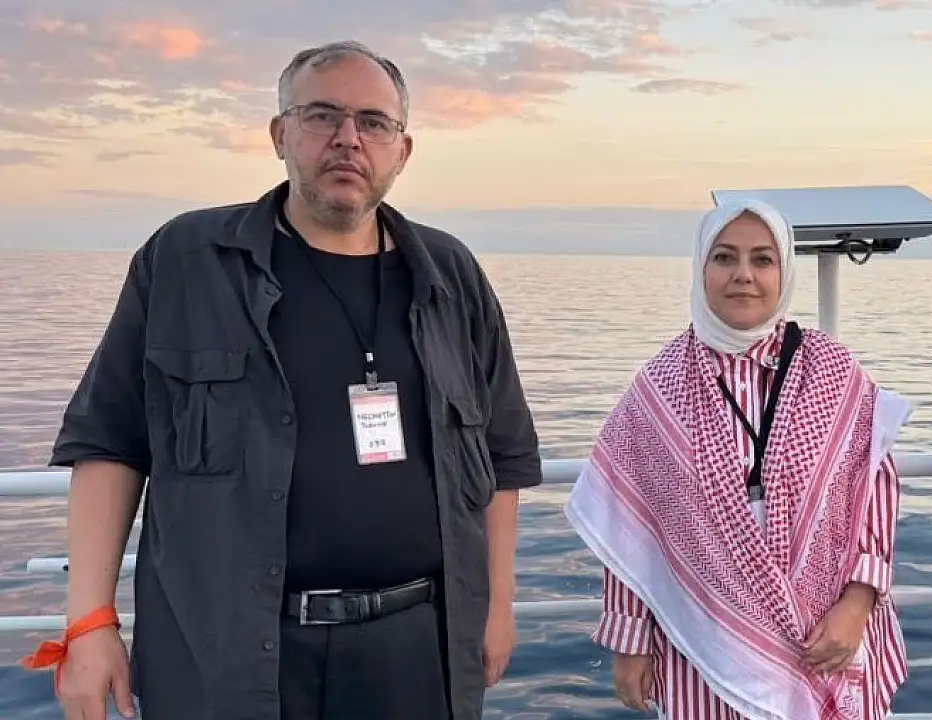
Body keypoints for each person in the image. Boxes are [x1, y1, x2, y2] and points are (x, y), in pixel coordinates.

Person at [20, 40, 542, 720]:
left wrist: (497, 607)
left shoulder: (451, 275)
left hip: (417, 652)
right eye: (322, 115)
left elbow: (501, 459)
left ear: (403, 150)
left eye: (373, 122)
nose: (348, 138)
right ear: (279, 134)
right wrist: (90, 622)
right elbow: (109, 443)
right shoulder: (186, 260)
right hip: (223, 652)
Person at [564, 199, 913, 719]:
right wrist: (631, 639)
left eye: (762, 259)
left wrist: (859, 603)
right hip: (702, 647)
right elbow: (629, 523)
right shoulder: (660, 386)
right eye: (725, 257)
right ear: (701, 267)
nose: (743, 275)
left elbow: (875, 489)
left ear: (784, 270)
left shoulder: (832, 369)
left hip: (823, 634)